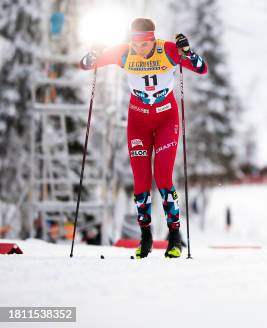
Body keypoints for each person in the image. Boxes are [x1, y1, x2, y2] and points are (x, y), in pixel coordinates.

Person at [80, 18, 207, 258]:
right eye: (135, 44)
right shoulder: (125, 52)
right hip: (138, 121)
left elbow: (201, 68)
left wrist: (188, 53)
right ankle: (146, 238)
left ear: (152, 39)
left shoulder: (167, 50)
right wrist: (94, 52)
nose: (139, 49)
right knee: (140, 181)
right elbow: (85, 65)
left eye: (144, 44)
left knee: (163, 177)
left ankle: (175, 238)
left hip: (166, 119)